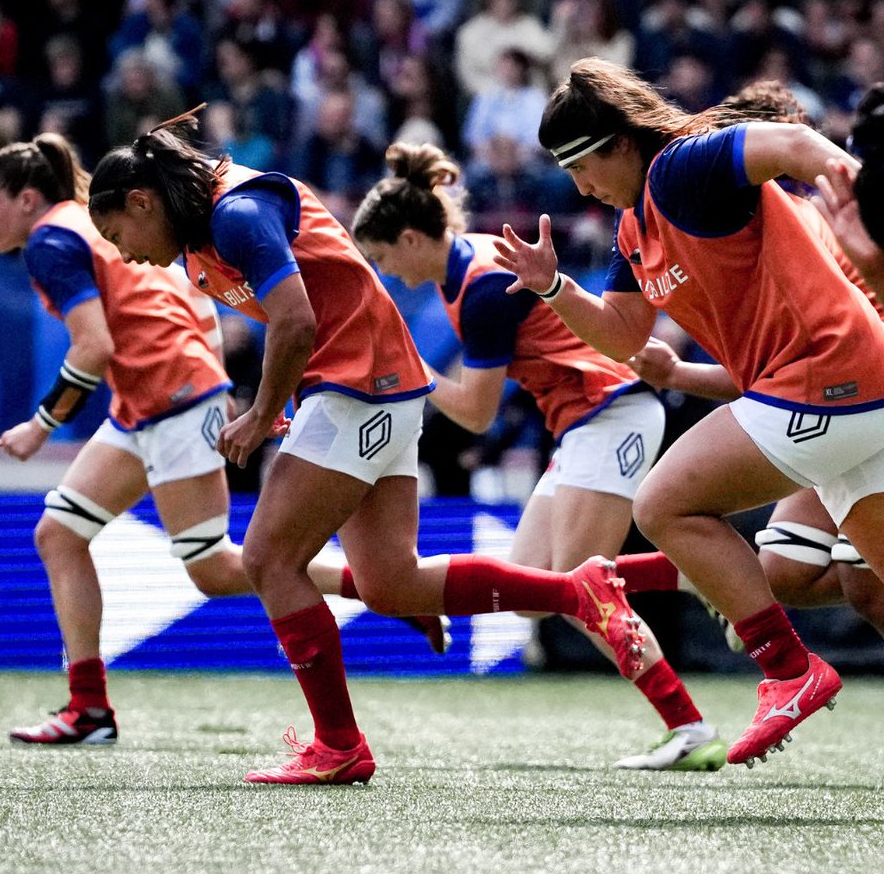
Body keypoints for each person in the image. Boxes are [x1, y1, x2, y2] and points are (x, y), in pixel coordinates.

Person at [86, 109, 647, 785]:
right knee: (392, 583)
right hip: (378, 388)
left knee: (267, 558)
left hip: (358, 387)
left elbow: (297, 321)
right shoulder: (206, 232)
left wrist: (264, 412)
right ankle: (576, 592)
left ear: (143, 201)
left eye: (119, 235)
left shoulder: (235, 213)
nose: (124, 255)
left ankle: (339, 744)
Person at [494, 58, 884, 768]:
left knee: (666, 504)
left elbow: (796, 146)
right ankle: (785, 663)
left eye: (583, 168)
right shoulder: (633, 228)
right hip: (839, 386)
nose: (580, 187)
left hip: (827, 373)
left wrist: (867, 199)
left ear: (618, 145)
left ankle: (788, 669)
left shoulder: (681, 168)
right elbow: (621, 334)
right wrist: (552, 285)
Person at [0, 132, 364, 747]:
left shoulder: (52, 238)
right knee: (59, 533)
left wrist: (39, 426)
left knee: (213, 567)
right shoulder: (93, 221)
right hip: (154, 399)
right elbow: (191, 288)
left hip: (170, 397)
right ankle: (89, 708)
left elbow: (94, 346)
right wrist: (210, 374)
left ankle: (380, 585)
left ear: (26, 199)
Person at [352, 141, 727, 772]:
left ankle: (690, 727)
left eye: (385, 258)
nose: (390, 273)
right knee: (534, 592)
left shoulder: (480, 288)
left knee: (585, 589)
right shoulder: (463, 267)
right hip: (581, 425)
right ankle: (688, 570)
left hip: (612, 412)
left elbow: (474, 411)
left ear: (414, 239)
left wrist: (408, 367)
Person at [628, 82, 884, 644]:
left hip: (858, 396)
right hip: (844, 398)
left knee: (853, 583)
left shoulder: (812, 225)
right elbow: (770, 381)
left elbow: (826, 358)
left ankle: (711, 592)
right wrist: (676, 375)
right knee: (792, 574)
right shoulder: (747, 239)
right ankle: (714, 581)